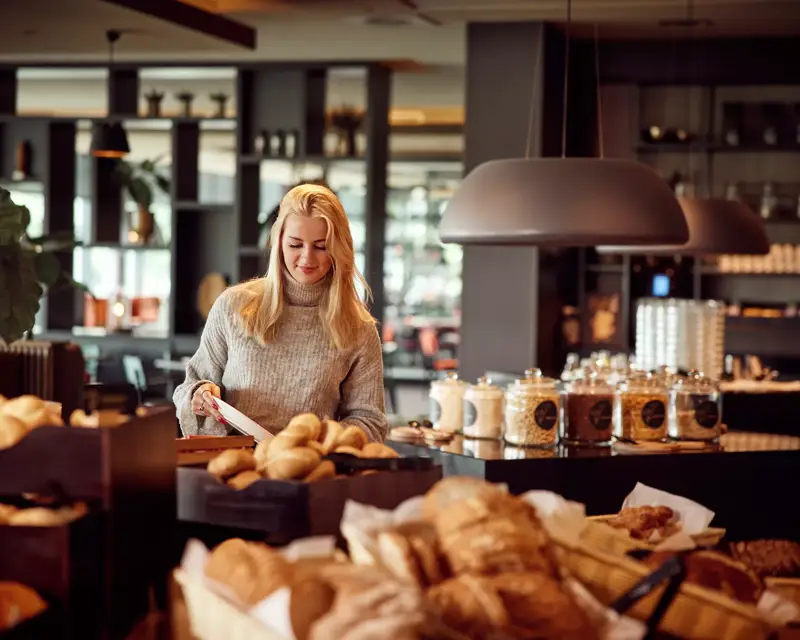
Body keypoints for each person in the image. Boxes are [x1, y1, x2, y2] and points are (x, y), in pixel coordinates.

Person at [173, 183, 388, 442]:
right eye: (296, 245)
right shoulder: (233, 306)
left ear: (339, 248)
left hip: (306, 468)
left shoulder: (358, 329)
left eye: (321, 246)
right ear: (279, 242)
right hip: (231, 465)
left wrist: (313, 437)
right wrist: (198, 394)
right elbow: (190, 386)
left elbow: (371, 423)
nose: (307, 258)